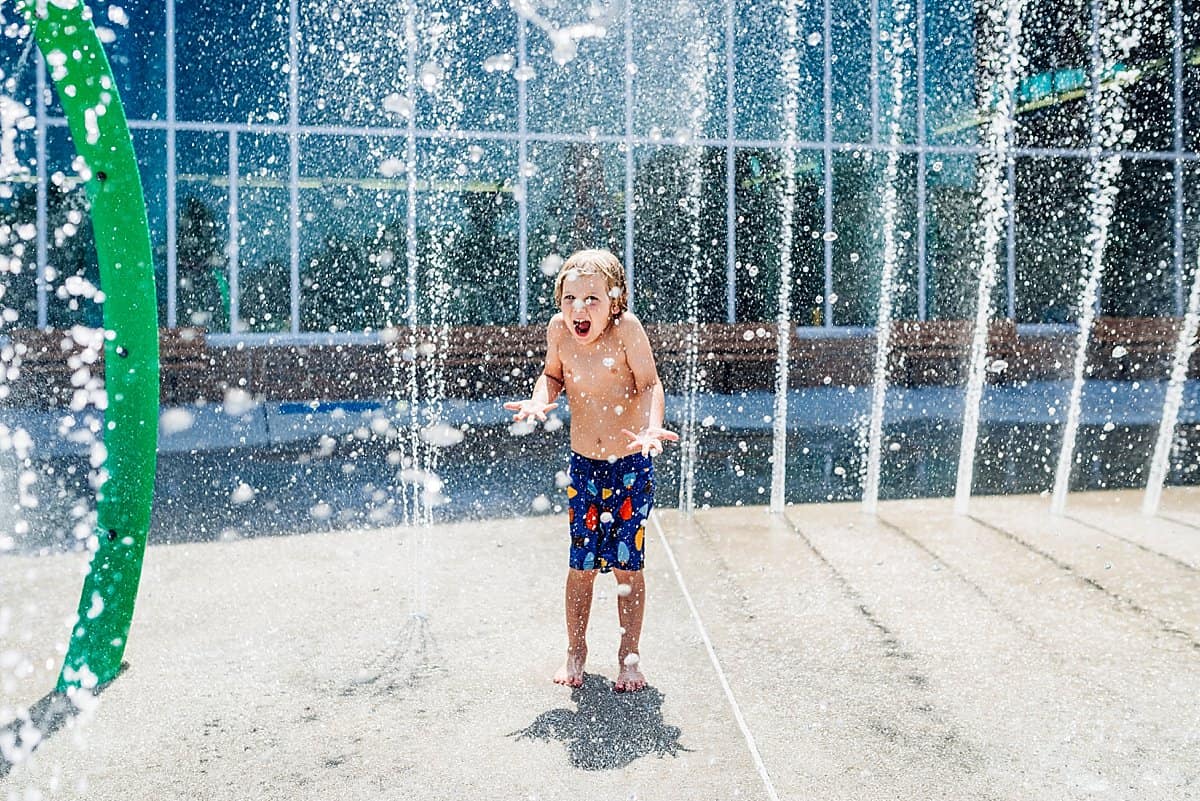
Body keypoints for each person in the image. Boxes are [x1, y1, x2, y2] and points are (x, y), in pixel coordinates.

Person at [504, 249, 677, 692]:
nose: (579, 309)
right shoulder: (559, 331)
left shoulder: (627, 331)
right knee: (579, 565)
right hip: (584, 469)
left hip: (629, 468)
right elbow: (552, 375)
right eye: (569, 298)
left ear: (614, 302)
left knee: (627, 567)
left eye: (591, 300)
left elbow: (650, 383)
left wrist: (652, 426)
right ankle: (575, 650)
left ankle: (629, 658)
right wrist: (542, 398)